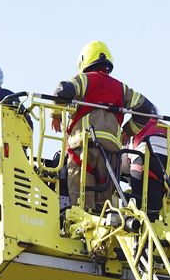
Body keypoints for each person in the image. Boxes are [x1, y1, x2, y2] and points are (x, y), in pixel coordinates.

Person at [51, 41, 154, 212]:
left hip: (83, 152)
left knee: (82, 207)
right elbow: (147, 109)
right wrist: (128, 131)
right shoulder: (122, 89)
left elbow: (61, 91)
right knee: (103, 211)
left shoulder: (83, 80)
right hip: (111, 157)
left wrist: (55, 115)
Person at [121, 106, 170, 221]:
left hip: (145, 161)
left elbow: (124, 164)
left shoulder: (136, 126)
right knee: (158, 200)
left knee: (138, 202)